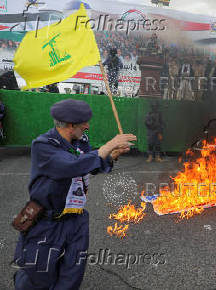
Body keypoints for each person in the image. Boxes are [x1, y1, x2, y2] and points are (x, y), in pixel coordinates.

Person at [12, 99, 137, 289]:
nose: (87, 127)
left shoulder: (80, 141)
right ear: (70, 125)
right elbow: (71, 165)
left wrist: (111, 155)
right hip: (46, 220)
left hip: (76, 218)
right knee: (38, 275)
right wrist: (109, 145)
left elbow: (87, 165)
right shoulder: (43, 145)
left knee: (73, 273)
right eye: (83, 123)